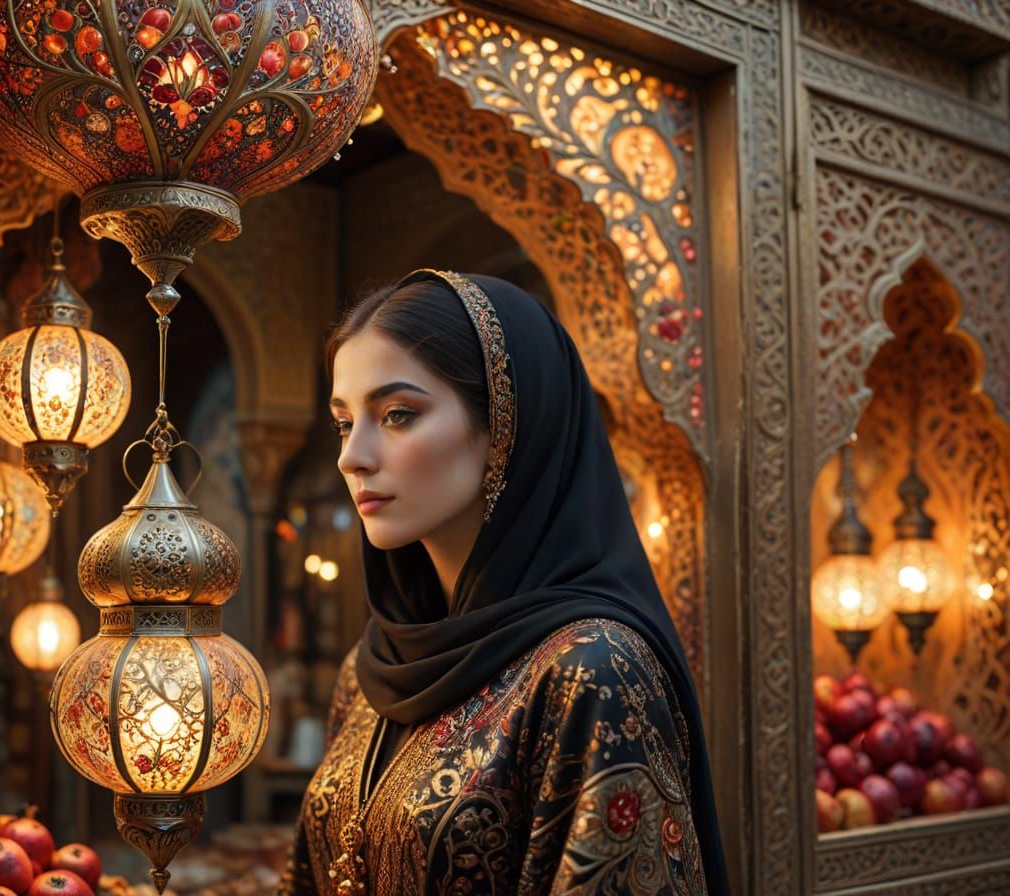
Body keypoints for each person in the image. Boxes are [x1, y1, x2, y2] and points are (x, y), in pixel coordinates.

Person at [278, 270, 729, 895]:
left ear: (506, 429)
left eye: (398, 414)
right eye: (343, 423)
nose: (352, 455)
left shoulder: (594, 670)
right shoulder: (372, 667)